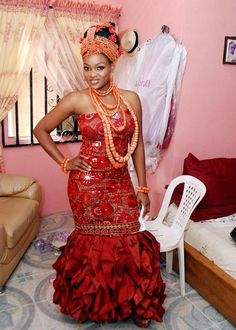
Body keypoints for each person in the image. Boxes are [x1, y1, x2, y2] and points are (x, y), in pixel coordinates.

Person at [34, 22, 165, 328]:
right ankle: (87, 303)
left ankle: (133, 304)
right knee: (92, 245)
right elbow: (40, 129)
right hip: (87, 185)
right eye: (87, 68)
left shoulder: (131, 100)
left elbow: (137, 146)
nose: (92, 75)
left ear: (112, 66)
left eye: (99, 68)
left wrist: (142, 187)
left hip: (120, 181)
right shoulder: (76, 99)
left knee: (129, 239)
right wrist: (64, 162)